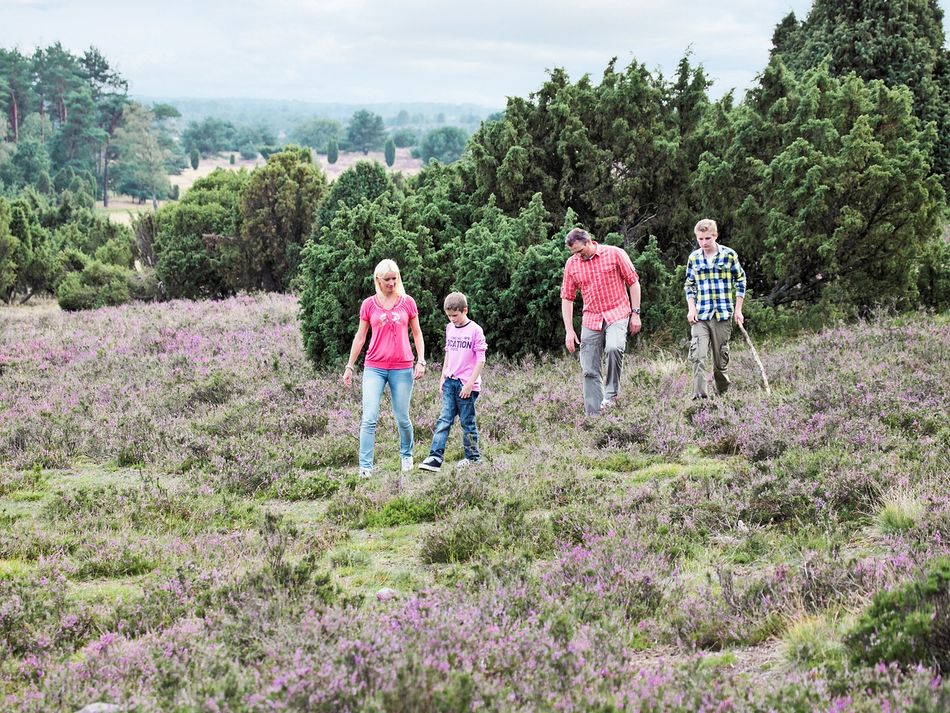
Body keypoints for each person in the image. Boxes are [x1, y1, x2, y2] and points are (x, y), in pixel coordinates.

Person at [342, 259, 426, 478]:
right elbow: (360, 337)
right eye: (387, 279)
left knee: (402, 418)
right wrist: (350, 366)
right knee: (369, 417)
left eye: (394, 278)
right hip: (374, 367)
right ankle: (365, 467)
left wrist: (421, 360)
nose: (391, 282)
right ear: (378, 280)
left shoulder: (407, 302)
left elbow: (417, 333)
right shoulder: (368, 304)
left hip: (402, 367)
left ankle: (406, 455)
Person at [560, 228, 641, 415]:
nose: (578, 256)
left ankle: (611, 396)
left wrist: (635, 313)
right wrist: (569, 331)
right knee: (589, 369)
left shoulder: (615, 254)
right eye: (574, 253)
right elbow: (567, 298)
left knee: (613, 348)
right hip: (591, 318)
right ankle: (594, 417)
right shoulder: (572, 264)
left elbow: (633, 282)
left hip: (617, 312)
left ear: (589, 242)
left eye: (580, 251)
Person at [418, 292, 487, 472]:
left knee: (467, 422)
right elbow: (448, 353)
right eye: (449, 316)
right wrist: (443, 376)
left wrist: (470, 384)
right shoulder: (449, 328)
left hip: (467, 385)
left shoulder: (475, 330)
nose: (452, 319)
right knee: (444, 419)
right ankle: (435, 456)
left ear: (465, 310)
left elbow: (481, 360)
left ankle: (473, 459)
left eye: (455, 315)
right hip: (450, 382)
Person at [684, 218, 746, 399]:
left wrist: (738, 309)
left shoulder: (729, 255)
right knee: (698, 357)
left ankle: (723, 396)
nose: (704, 243)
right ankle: (699, 400)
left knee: (720, 361)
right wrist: (691, 308)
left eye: (707, 239)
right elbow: (689, 285)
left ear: (715, 236)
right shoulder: (694, 258)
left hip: (723, 315)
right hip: (700, 316)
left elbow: (741, 280)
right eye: (700, 239)